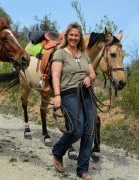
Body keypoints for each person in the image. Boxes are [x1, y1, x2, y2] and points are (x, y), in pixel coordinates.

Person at [51, 22, 97, 180]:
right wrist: (57, 96)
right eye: (71, 35)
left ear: (80, 37)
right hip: (69, 93)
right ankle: (58, 151)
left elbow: (93, 74)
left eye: (76, 35)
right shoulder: (60, 54)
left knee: (90, 131)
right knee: (77, 129)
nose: (73, 37)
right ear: (66, 36)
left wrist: (88, 78)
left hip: (87, 94)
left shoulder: (84, 55)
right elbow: (55, 76)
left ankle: (82, 169)